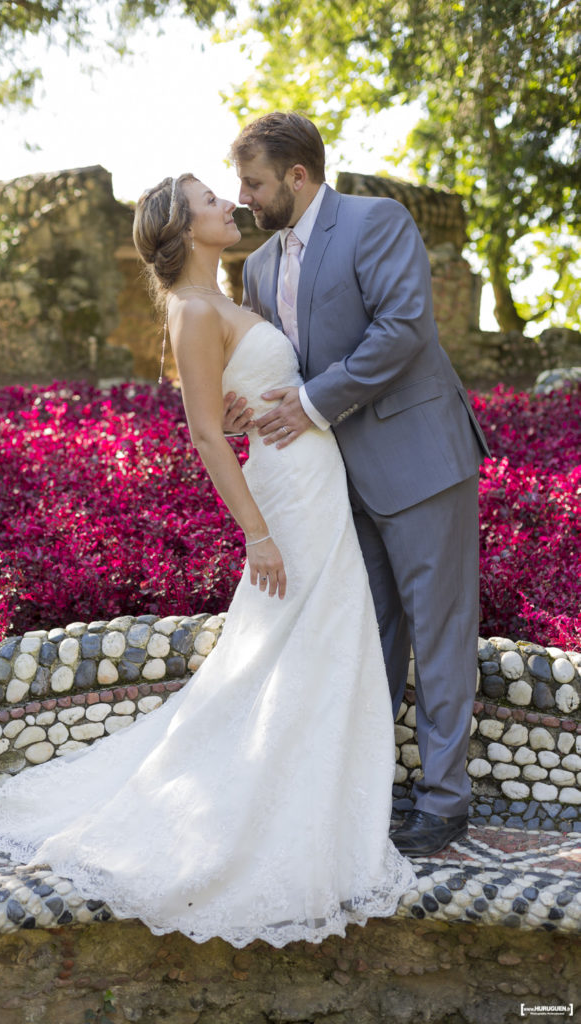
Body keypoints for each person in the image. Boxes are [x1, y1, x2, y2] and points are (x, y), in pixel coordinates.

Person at [0, 171, 415, 948]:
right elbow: (205, 435)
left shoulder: (235, 297)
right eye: (210, 200)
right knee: (285, 647)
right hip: (284, 498)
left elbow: (243, 399)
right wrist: (255, 531)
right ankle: (252, 809)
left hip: (314, 477)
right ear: (184, 231)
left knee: (318, 645)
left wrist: (268, 394)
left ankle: (317, 804)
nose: (228, 205)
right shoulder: (188, 309)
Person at [225, 112, 490, 857]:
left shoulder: (377, 223)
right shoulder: (256, 268)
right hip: (332, 481)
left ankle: (444, 803)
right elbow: (277, 363)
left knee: (439, 633)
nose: (241, 196)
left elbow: (403, 329)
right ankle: (362, 789)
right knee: (365, 633)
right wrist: (249, 402)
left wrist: (307, 405)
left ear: (298, 176)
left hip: (419, 462)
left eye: (253, 183)